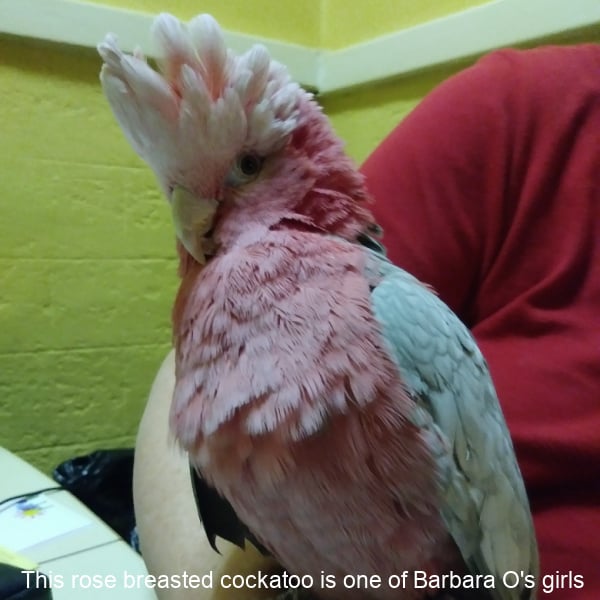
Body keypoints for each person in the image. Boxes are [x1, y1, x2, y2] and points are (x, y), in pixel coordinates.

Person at [133, 44, 600, 599]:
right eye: (178, 194)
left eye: (248, 169)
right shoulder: (530, 103)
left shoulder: (398, 312)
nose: (194, 218)